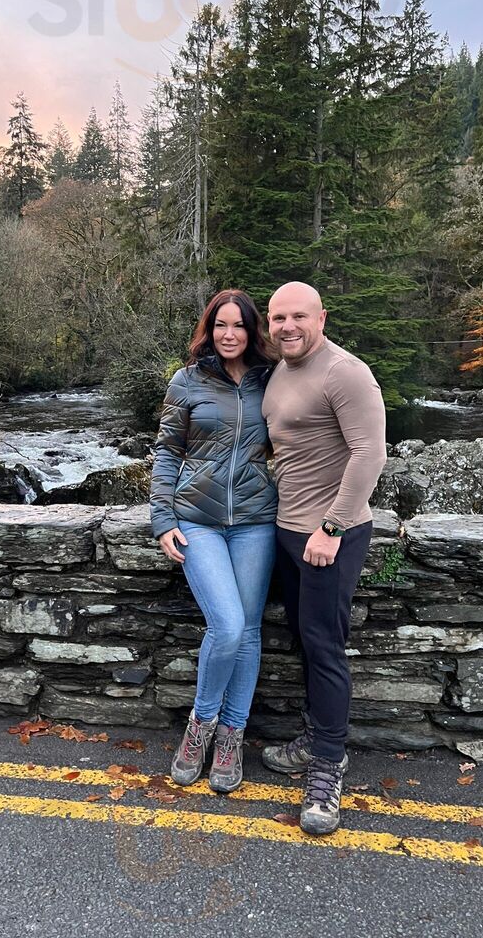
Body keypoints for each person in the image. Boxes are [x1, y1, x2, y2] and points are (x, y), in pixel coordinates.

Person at [261, 281, 387, 835]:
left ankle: (328, 768)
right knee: (303, 639)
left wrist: (332, 527)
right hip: (287, 532)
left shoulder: (345, 372)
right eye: (278, 317)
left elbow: (370, 453)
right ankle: (315, 737)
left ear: (321, 318)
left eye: (298, 316)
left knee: (325, 647)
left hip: (329, 537)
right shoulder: (280, 372)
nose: (287, 326)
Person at [150, 289, 277, 793]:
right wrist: (162, 518)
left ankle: (231, 736)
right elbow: (166, 451)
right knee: (226, 626)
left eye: (238, 325)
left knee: (248, 632)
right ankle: (200, 726)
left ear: (252, 331)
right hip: (197, 519)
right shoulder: (187, 381)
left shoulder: (272, 379)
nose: (229, 334)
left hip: (256, 520)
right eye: (220, 325)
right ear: (209, 329)